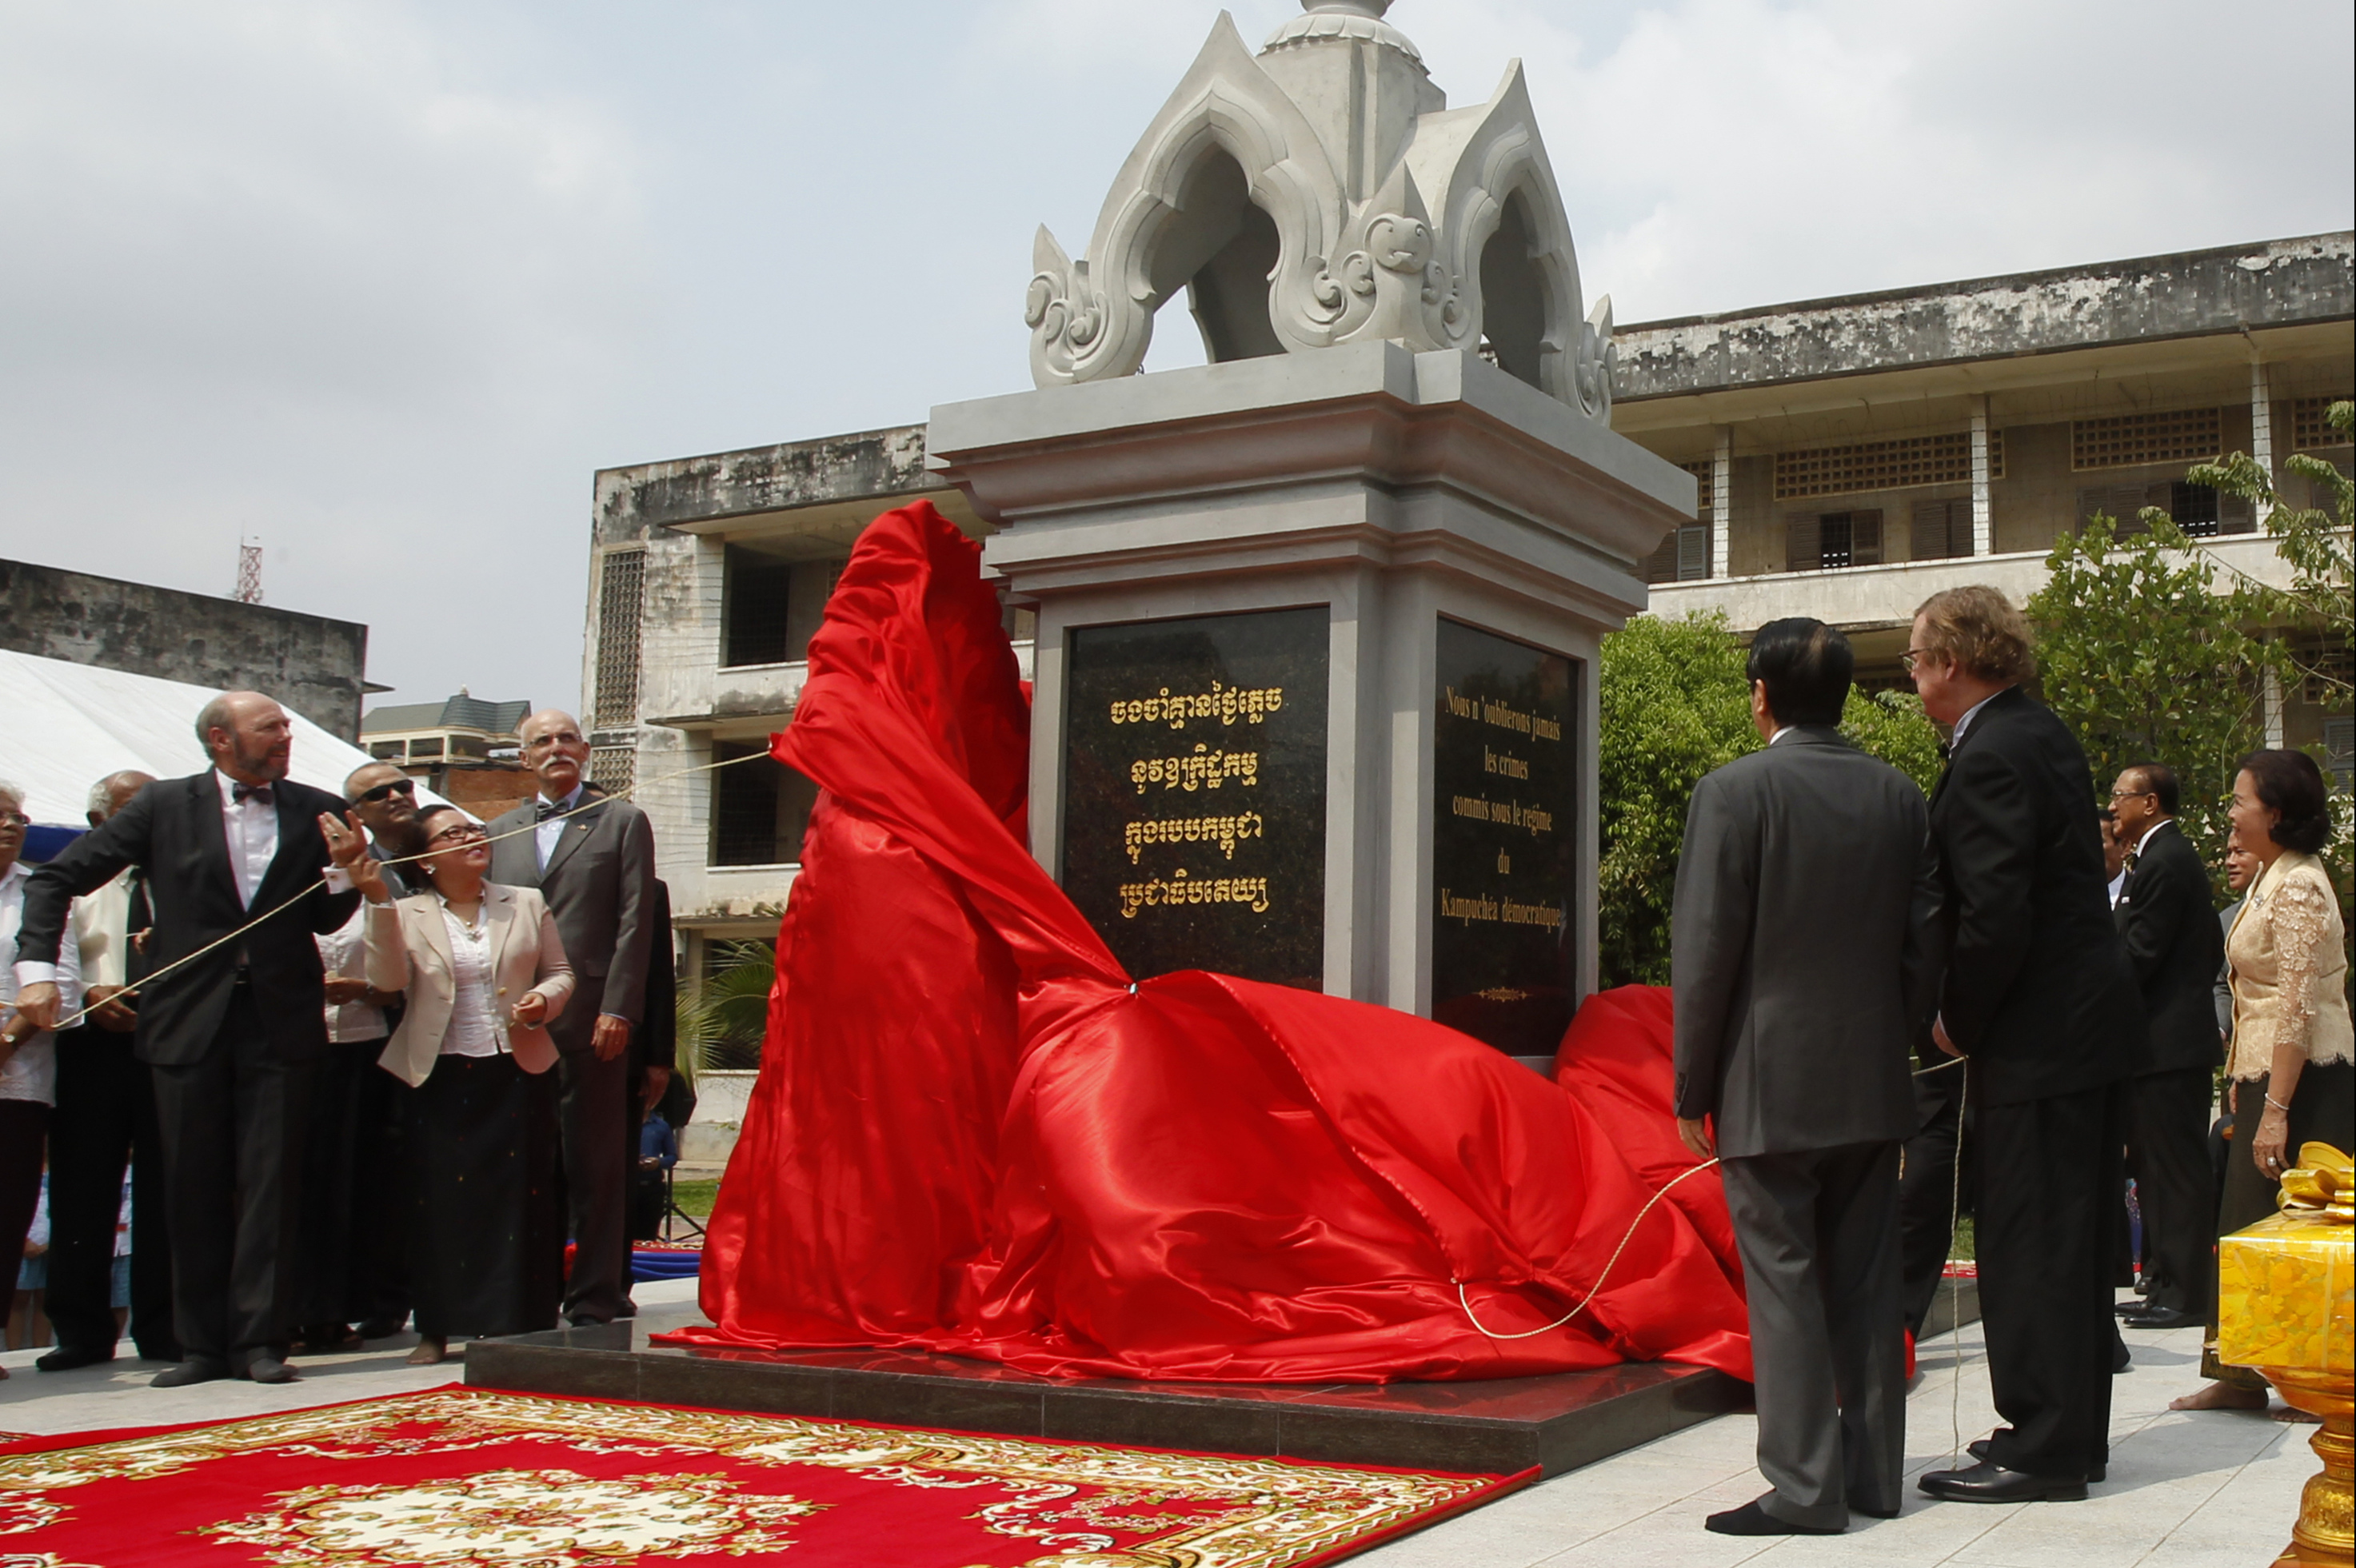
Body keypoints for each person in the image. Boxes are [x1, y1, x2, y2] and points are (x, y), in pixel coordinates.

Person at [10, 691, 361, 1387]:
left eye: (287, 726)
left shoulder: (317, 805)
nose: (285, 736)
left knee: (270, 1184)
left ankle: (261, 1341)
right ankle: (199, 1345)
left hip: (279, 1020)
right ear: (220, 739)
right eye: (270, 727)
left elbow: (327, 918)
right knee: (188, 1184)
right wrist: (36, 973)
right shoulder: (161, 805)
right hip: (186, 1021)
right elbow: (57, 878)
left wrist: (350, 867)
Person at [1671, 619, 1937, 1537]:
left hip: (1767, 1080)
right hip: (1871, 1079)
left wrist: (1689, 1085)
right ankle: (1872, 1477)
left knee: (1782, 1281)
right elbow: (1922, 947)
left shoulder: (1734, 792)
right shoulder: (1901, 796)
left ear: (1761, 694)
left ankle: (1801, 1484)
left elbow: (1706, 953)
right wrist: (1887, 1040)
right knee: (1865, 1284)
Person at [1906, 587, 2138, 1504]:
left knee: (2030, 1236)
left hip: (2040, 1035)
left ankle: (2040, 1443)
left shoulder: (1994, 749)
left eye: (1919, 661)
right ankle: (2069, 1432)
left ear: (1955, 660)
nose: (1916, 678)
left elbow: (1995, 911)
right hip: (2081, 1029)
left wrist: (1955, 1015)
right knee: (2071, 1241)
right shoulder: (2035, 728)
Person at [327, 804, 573, 1366]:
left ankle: (523, 1319)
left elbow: (561, 972)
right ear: (427, 857)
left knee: (520, 1199)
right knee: (439, 1202)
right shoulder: (404, 909)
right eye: (452, 833)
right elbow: (387, 982)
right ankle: (437, 1327)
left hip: (517, 1067)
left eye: (473, 829)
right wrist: (376, 904)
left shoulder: (525, 901)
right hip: (437, 1072)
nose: (471, 837)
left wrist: (546, 1000)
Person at [2172, 750, 2353, 1415]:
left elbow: (2300, 1004)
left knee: (2303, 1226)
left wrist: (2277, 1109)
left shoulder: (2301, 883)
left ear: (2274, 813)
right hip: (2263, 1073)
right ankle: (2242, 1372)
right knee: (2245, 1220)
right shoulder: (2271, 877)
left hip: (2309, 1080)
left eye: (2239, 801)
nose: (2230, 812)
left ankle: (2317, 1373)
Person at [485, 712, 657, 1327]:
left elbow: (636, 923)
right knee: (526, 1166)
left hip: (592, 1022)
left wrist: (619, 1007)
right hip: (517, 1023)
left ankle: (595, 1294)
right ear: (523, 756)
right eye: (541, 741)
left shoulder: (620, 821)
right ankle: (526, 1291)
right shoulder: (497, 831)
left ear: (584, 751)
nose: (555, 749)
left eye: (566, 739)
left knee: (598, 1165)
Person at [37, 770, 178, 1373]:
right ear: (101, 822)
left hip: (172, 1043)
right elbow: (45, 955)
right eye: (130, 810)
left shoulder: (186, 880)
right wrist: (91, 994)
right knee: (82, 1189)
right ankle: (81, 1329)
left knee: (169, 1188)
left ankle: (165, 1326)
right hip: (91, 1046)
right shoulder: (71, 883)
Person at [2109, 764, 2225, 1331]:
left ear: (2150, 802)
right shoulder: (2152, 858)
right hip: (2153, 1042)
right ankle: (2160, 1277)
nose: (2112, 806)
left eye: (2120, 795)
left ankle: (2186, 1291)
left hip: (2169, 1044)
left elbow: (2139, 953)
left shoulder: (2168, 858)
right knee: (2152, 1167)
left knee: (2175, 1168)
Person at [341, 761, 429, 1339]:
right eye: (380, 792)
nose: (397, 796)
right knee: (374, 1174)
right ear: (358, 812)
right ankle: (378, 1297)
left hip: (446, 1037)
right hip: (367, 1041)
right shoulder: (348, 868)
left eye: (404, 786)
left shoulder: (449, 851)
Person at [1, 782, 86, 1380]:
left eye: (17, 816)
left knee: (6, 1211)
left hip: (19, 1077)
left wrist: (7, 1039)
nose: (10, 824)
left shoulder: (42, 891)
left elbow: (65, 984)